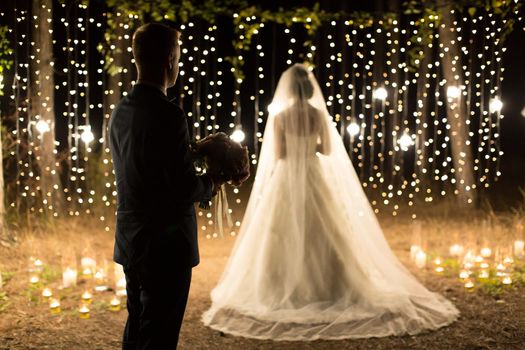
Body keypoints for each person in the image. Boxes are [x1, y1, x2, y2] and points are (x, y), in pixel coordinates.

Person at [202, 64, 459, 340]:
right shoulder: (316, 114)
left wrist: (294, 148)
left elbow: (278, 152)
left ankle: (281, 287)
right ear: (310, 88)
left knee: (281, 230)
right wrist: (308, 145)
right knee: (323, 226)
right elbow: (325, 148)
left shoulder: (280, 117)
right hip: (313, 173)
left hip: (288, 176)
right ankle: (331, 286)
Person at [109, 23, 219, 350]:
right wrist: (214, 180)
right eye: (179, 55)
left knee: (137, 328)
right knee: (160, 336)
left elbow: (145, 170)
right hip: (165, 247)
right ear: (170, 59)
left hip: (131, 239)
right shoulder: (169, 115)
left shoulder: (119, 112)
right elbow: (183, 187)